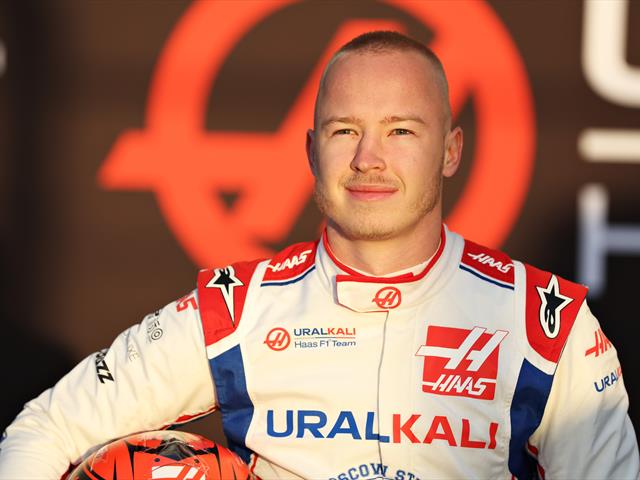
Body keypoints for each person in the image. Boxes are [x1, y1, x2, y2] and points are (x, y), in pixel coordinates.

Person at [0, 30, 638, 480]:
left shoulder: (546, 323)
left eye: (401, 130)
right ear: (311, 150)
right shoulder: (235, 310)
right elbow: (40, 432)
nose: (368, 159)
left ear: (450, 150)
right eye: (344, 130)